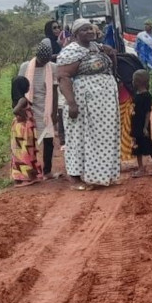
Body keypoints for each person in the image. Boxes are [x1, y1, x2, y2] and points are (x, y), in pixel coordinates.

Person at [56, 19, 121, 190]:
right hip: (83, 103)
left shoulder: (95, 47)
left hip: (102, 104)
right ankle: (76, 178)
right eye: (84, 30)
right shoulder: (70, 52)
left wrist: (109, 53)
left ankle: (101, 174)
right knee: (80, 137)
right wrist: (72, 104)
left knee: (101, 137)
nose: (89, 31)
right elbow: (63, 77)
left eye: (90, 28)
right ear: (76, 34)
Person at [19, 39, 61, 179]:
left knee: (48, 140)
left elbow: (54, 91)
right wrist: (20, 108)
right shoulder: (25, 67)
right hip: (29, 107)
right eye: (41, 60)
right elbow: (19, 87)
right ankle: (30, 171)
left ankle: (47, 171)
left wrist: (54, 112)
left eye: (46, 60)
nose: (43, 63)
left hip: (46, 108)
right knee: (29, 140)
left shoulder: (52, 67)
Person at [9, 76, 43, 186]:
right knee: (26, 151)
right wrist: (24, 116)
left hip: (18, 128)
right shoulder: (22, 100)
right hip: (24, 128)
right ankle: (26, 177)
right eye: (28, 85)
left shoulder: (16, 99)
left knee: (18, 152)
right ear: (24, 87)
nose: (29, 87)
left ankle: (21, 177)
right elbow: (16, 110)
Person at [131, 70, 152, 177]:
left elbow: (148, 113)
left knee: (148, 146)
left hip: (143, 126)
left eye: (133, 80)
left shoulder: (146, 96)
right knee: (137, 146)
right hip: (136, 125)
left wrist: (145, 127)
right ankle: (140, 168)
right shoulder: (136, 94)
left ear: (138, 82)